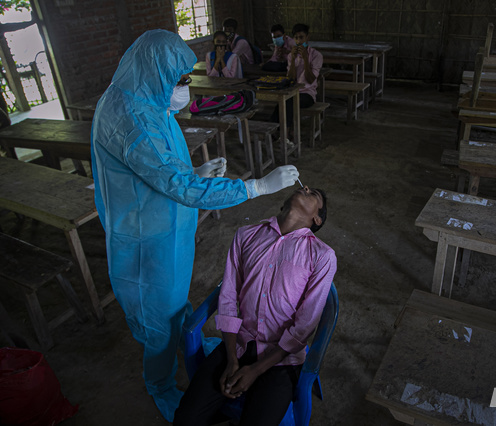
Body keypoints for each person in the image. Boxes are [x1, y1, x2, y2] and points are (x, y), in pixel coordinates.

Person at [90, 29, 300, 422]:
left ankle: (183, 344)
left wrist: (194, 171)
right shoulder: (132, 118)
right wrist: (255, 186)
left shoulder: (147, 101)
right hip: (145, 243)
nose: (184, 87)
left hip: (163, 224)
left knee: (174, 309)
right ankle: (161, 385)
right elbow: (175, 183)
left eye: (187, 77)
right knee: (158, 322)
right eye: (179, 79)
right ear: (154, 73)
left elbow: (161, 169)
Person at [173, 186, 337, 426]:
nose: (305, 188)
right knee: (185, 419)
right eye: (306, 187)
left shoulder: (321, 256)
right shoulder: (245, 235)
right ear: (283, 204)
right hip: (238, 345)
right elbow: (227, 299)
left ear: (317, 219)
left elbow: (304, 326)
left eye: (314, 195)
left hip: (280, 359)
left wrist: (256, 370)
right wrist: (231, 359)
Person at [270, 23, 323, 144]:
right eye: (296, 38)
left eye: (301, 37)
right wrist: (293, 60)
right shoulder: (291, 56)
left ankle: (286, 134)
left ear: (307, 38)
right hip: (293, 91)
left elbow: (310, 79)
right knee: (281, 101)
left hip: (308, 94)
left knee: (288, 101)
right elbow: (290, 79)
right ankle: (273, 131)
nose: (299, 41)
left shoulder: (316, 55)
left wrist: (305, 59)